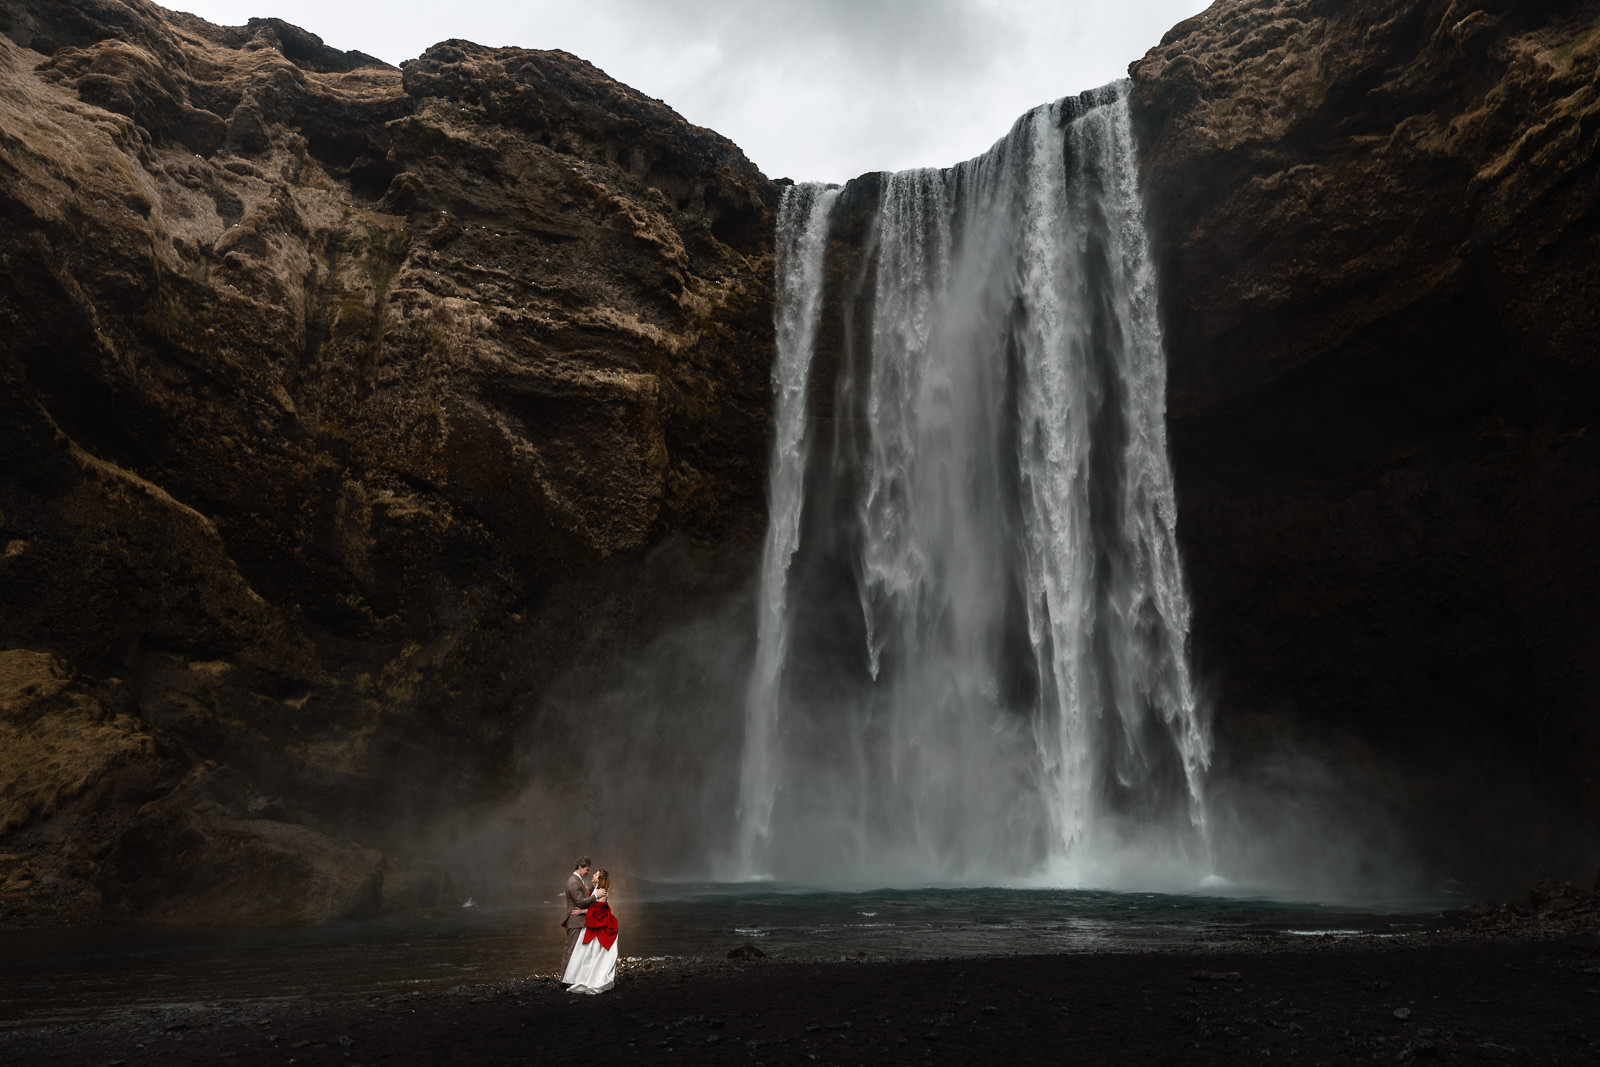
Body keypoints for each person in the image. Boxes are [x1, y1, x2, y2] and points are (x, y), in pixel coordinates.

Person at [561, 866, 619, 994]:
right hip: (591, 925)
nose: (593, 875)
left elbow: (598, 910)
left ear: (600, 879)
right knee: (584, 952)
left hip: (597, 926)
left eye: (596, 874)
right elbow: (592, 901)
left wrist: (582, 911)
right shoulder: (596, 889)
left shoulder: (602, 891)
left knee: (589, 952)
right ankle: (579, 976)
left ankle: (591, 977)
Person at [560, 856, 596, 976]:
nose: (588, 872)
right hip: (575, 921)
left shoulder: (578, 880)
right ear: (580, 868)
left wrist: (594, 886)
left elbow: (584, 893)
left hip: (578, 921)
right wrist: (596, 896)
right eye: (587, 869)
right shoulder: (573, 882)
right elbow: (580, 902)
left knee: (576, 950)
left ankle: (571, 977)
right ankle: (565, 980)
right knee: (571, 951)